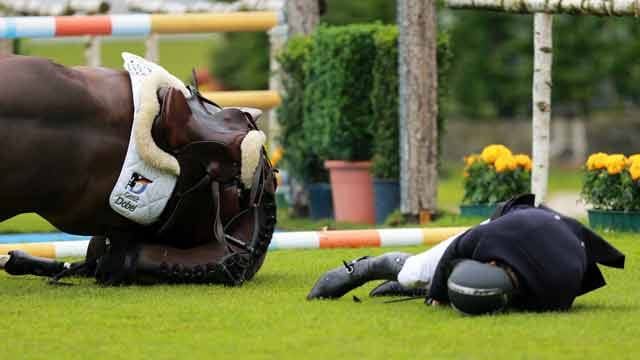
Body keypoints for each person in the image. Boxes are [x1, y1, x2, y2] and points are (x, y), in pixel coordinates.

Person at [307, 194, 626, 314]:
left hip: (557, 232)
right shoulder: (489, 236)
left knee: (429, 279)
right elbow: (454, 254)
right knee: (414, 272)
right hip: (518, 220)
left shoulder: (553, 293)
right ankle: (367, 268)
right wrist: (434, 295)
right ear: (488, 262)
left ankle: (412, 284)